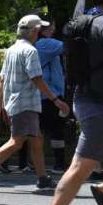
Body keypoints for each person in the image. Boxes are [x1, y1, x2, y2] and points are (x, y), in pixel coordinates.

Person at [39, 0, 103, 205]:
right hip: (100, 108)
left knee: (80, 166)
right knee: (80, 167)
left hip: (88, 99)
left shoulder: (85, 23)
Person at [0, 15, 69, 192]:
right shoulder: (31, 51)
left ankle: (42, 178)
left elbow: (2, 79)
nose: (39, 33)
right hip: (26, 103)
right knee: (16, 141)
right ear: (33, 32)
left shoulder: (11, 50)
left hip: (17, 103)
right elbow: (37, 79)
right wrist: (56, 100)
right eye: (38, 30)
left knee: (36, 138)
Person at [35, 21, 67, 172]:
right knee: (55, 129)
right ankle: (59, 163)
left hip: (47, 93)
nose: (54, 29)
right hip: (48, 94)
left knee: (32, 130)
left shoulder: (42, 44)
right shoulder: (45, 43)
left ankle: (17, 161)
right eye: (52, 26)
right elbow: (68, 46)